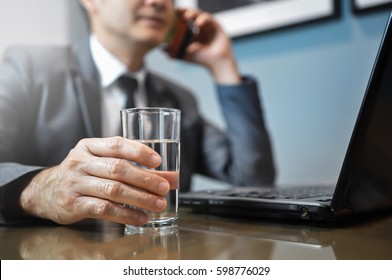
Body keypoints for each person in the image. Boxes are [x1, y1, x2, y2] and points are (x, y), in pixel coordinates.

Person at [0, 0, 275, 226]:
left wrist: (222, 63)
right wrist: (40, 189)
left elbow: (254, 179)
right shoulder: (29, 68)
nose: (158, 2)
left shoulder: (179, 99)